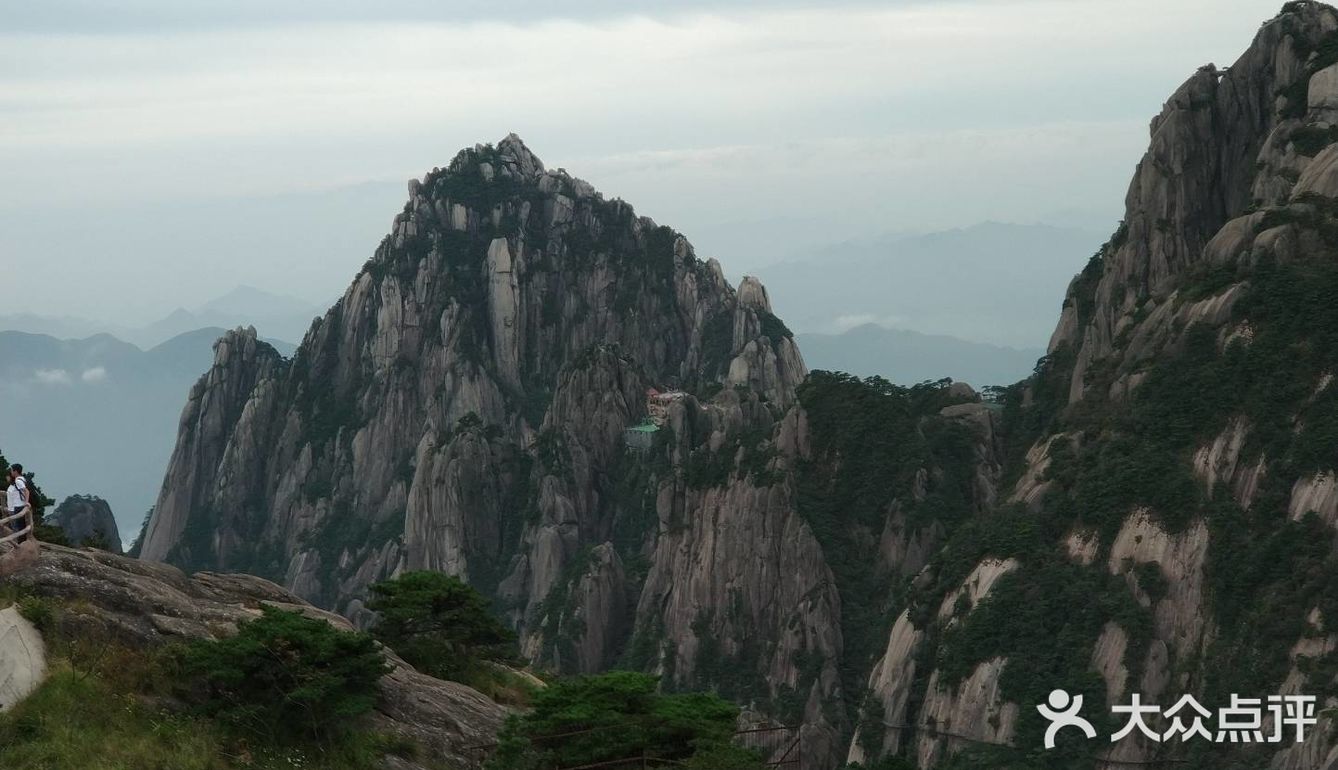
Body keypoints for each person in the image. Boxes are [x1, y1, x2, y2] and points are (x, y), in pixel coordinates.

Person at [6, 464, 30, 543]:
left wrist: (26, 502)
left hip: (18, 506)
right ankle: (22, 544)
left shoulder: (18, 481)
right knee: (20, 528)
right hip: (19, 506)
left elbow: (26, 491)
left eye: (11, 470)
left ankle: (20, 545)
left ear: (15, 471)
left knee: (19, 528)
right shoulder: (21, 479)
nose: (11, 472)